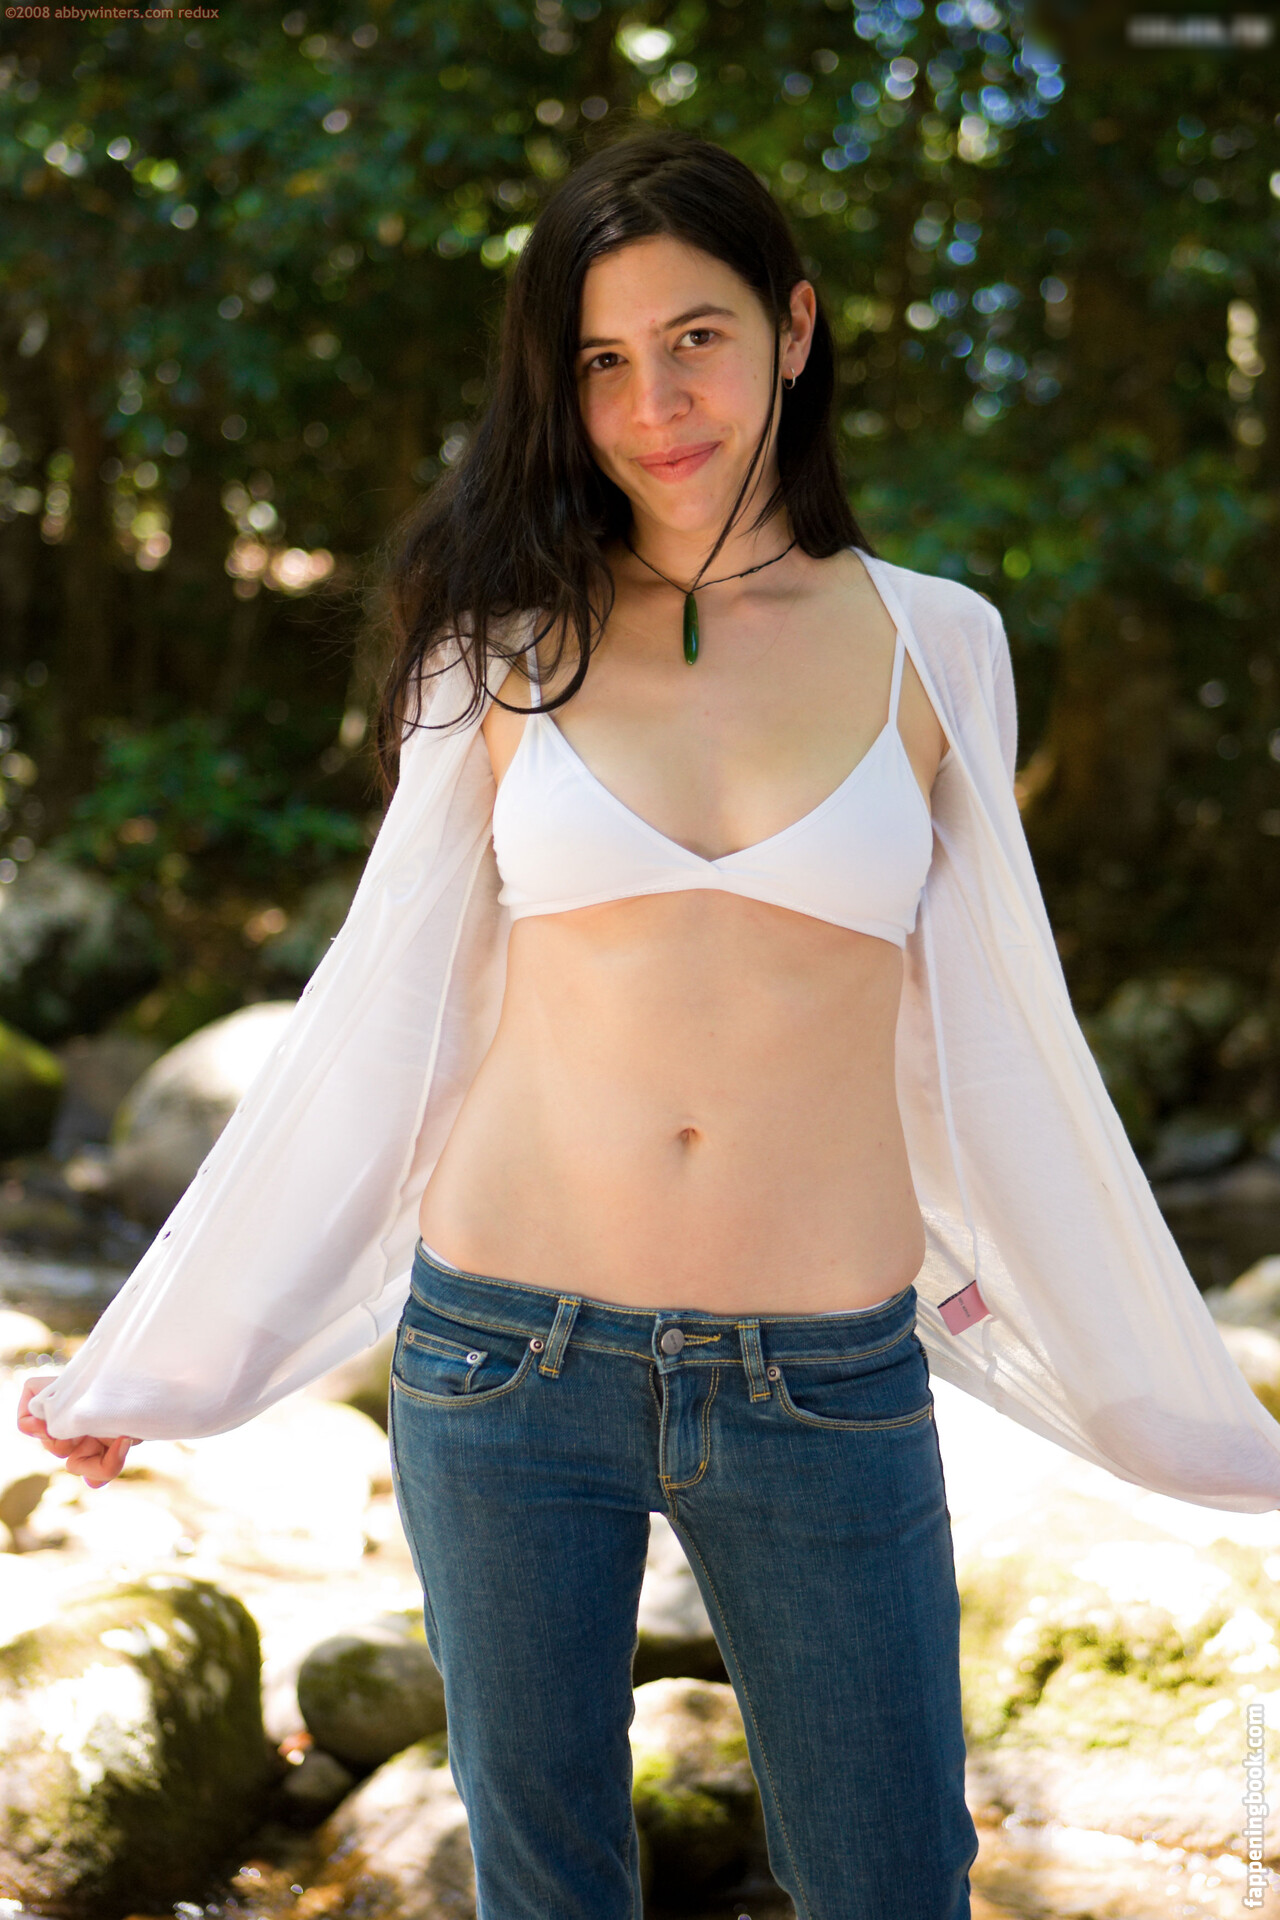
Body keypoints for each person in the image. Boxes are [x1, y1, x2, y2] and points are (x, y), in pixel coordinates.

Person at [19, 132, 1280, 1920]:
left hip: (823, 1376)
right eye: (602, 360)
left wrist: (1184, 1409)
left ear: (797, 329)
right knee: (547, 1891)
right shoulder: (498, 642)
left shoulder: (938, 646)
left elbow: (1007, 1051)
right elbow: (382, 1016)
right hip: (503, 1358)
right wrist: (171, 1361)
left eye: (696, 339)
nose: (653, 404)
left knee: (894, 1878)